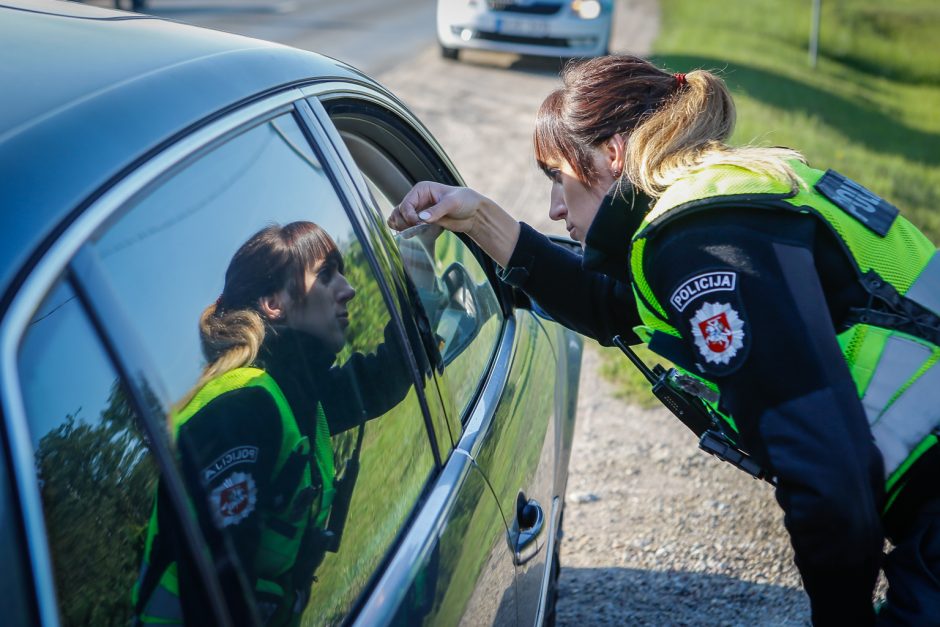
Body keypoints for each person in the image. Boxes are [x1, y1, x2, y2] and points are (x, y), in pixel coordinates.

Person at [389, 55, 940, 625]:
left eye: (559, 178)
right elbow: (613, 304)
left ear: (613, 154)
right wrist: (480, 218)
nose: (554, 207)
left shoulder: (704, 241)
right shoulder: (720, 201)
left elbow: (825, 475)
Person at [133, 221, 416, 626]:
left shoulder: (293, 393)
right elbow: (220, 604)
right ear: (273, 303)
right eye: (326, 275)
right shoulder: (242, 410)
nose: (348, 288)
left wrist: (416, 267)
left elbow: (385, 379)